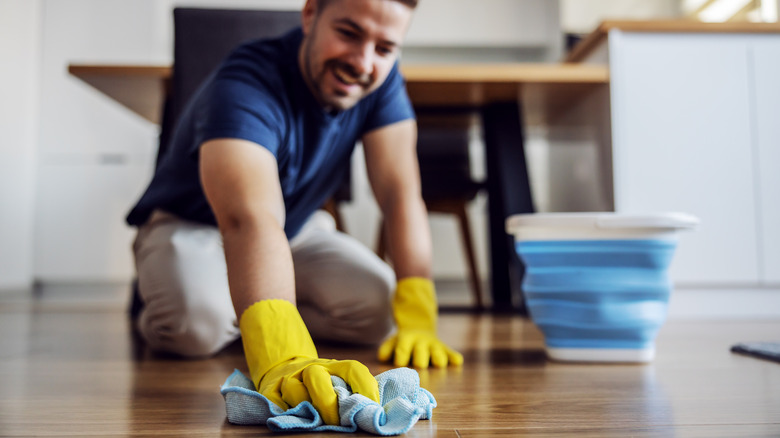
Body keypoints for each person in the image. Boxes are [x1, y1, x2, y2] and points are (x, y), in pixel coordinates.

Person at [126, 0, 462, 425]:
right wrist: (281, 350)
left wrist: (418, 310)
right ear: (309, 15)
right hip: (195, 224)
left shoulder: (383, 82)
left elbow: (400, 194)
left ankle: (252, 307)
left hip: (294, 229)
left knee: (378, 308)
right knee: (197, 326)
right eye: (349, 33)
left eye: (384, 47)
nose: (362, 62)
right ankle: (215, 308)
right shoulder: (245, 82)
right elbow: (247, 218)